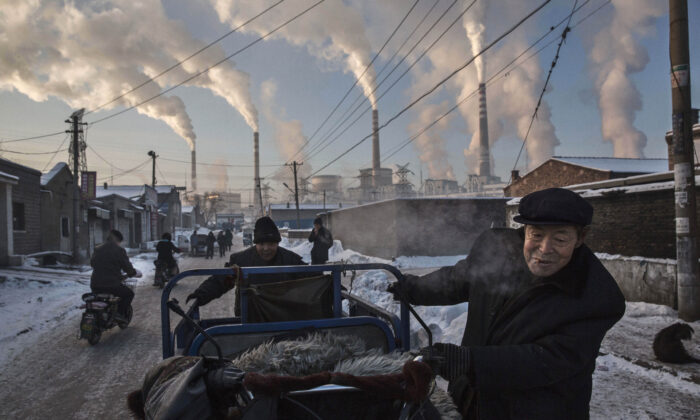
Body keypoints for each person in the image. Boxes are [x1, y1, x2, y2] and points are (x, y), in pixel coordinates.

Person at [388, 188, 626, 419]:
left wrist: (469, 361)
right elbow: (457, 280)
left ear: (580, 238)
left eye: (560, 238)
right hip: (473, 402)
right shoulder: (498, 251)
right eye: (537, 235)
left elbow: (546, 360)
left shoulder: (595, 297)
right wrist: (408, 288)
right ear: (525, 230)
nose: (545, 249)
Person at [187, 216, 306, 316]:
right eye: (261, 244)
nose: (266, 248)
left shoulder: (292, 260)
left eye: (271, 244)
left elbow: (314, 280)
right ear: (255, 243)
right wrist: (200, 295)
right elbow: (221, 281)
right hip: (249, 323)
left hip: (283, 320)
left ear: (277, 243)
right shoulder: (241, 261)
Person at [90, 229, 142, 319]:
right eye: (119, 242)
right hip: (112, 285)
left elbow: (92, 263)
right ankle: (119, 313)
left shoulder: (97, 249)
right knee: (129, 294)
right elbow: (127, 267)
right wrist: (132, 272)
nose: (119, 244)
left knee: (98, 297)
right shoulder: (119, 250)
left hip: (95, 284)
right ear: (117, 240)